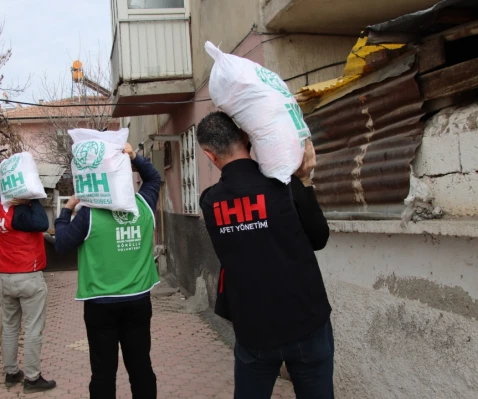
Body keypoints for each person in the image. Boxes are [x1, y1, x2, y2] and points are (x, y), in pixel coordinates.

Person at [196, 111, 333, 399]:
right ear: (246, 138)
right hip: (305, 320)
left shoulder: (210, 202)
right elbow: (319, 238)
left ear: (210, 155)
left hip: (254, 328)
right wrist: (305, 180)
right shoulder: (285, 184)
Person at [54, 143, 162, 399]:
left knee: (103, 374)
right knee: (141, 368)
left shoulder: (89, 213)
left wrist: (67, 209)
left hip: (100, 304)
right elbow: (154, 177)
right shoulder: (143, 204)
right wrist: (134, 155)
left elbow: (61, 244)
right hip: (138, 300)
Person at [0, 198, 57, 394]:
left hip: (6, 275)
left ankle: (11, 373)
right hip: (28, 274)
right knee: (32, 328)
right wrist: (33, 199)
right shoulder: (21, 213)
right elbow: (42, 223)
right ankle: (32, 378)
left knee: (10, 326)